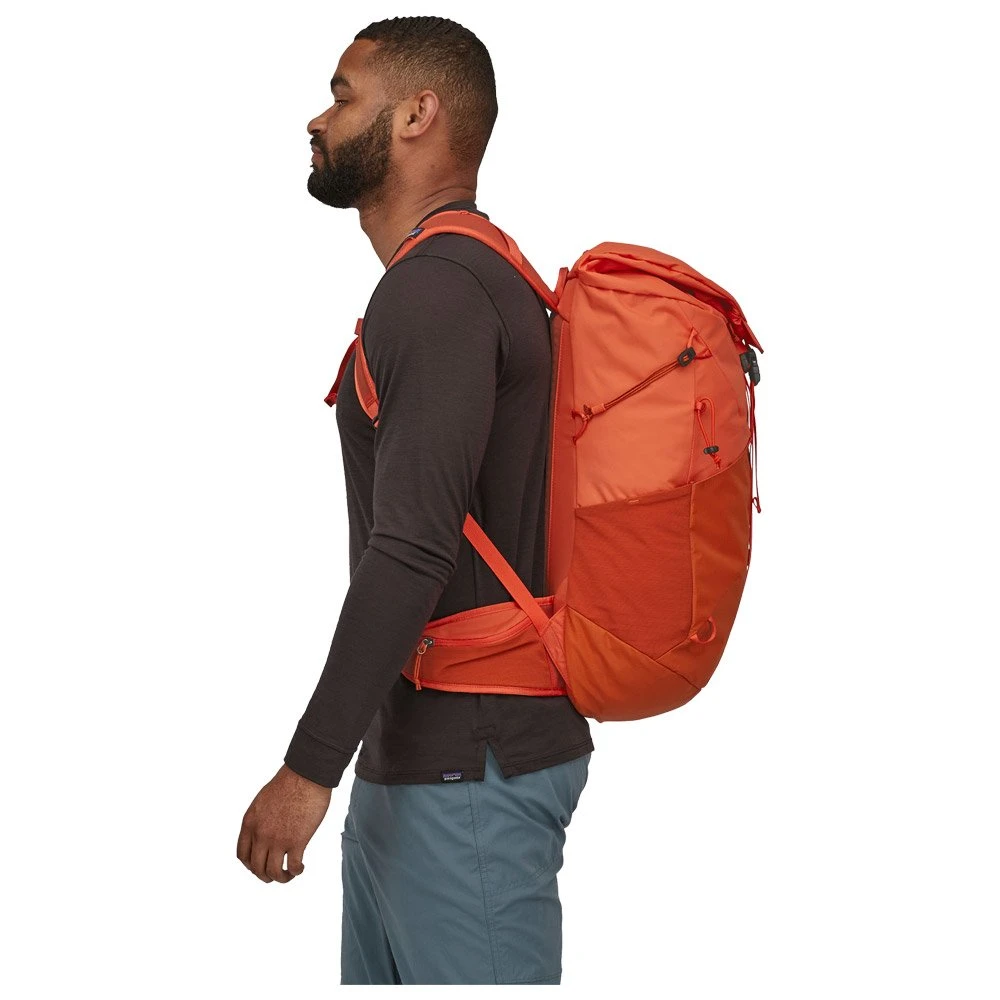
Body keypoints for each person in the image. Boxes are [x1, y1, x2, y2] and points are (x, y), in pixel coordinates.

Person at [236, 16, 594, 985]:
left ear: (416, 114)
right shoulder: (467, 274)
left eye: (343, 94)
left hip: (468, 775)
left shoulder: (436, 291)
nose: (318, 119)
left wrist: (307, 767)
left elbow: (412, 546)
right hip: (426, 768)